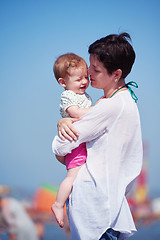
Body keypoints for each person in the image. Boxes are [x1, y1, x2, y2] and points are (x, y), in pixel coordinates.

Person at [52, 33, 143, 240]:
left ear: (116, 74)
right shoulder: (122, 101)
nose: (88, 72)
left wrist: (63, 123)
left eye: (96, 69)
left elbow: (59, 147)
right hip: (109, 205)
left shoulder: (110, 106)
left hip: (96, 209)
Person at [51, 53, 93, 228]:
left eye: (86, 77)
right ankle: (58, 204)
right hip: (74, 143)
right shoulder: (67, 96)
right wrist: (98, 111)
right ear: (63, 82)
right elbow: (75, 112)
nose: (84, 82)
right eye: (78, 79)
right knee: (72, 177)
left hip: (82, 143)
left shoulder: (85, 95)